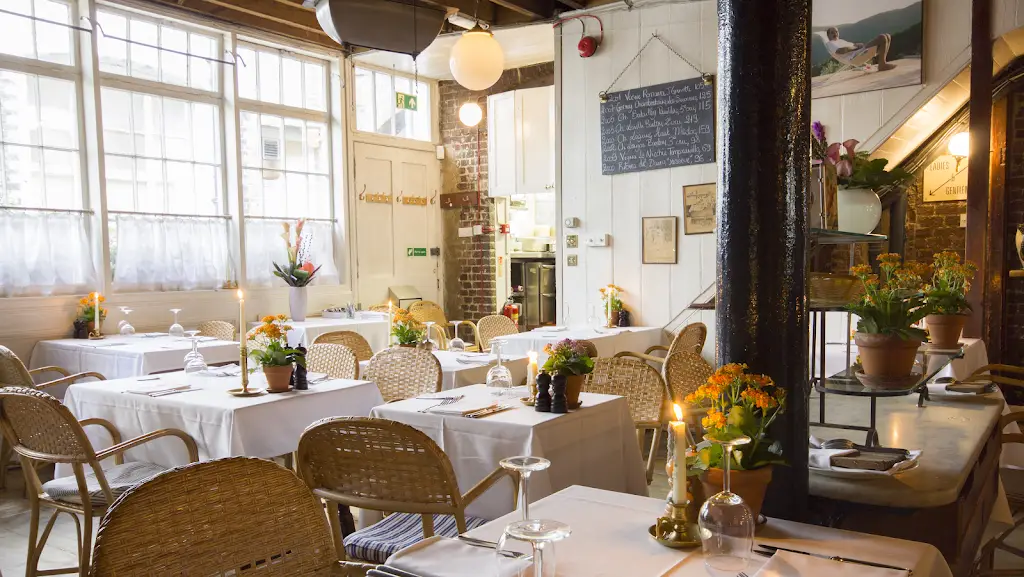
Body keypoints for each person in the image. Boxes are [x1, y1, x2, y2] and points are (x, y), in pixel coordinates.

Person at [825, 27, 896, 72]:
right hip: (855, 57)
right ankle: (882, 64)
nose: (835, 34)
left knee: (887, 36)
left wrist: (858, 45)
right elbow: (840, 51)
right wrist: (856, 47)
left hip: (859, 52)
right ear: (828, 35)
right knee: (882, 37)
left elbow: (852, 45)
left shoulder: (840, 41)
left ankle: (882, 63)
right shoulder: (830, 43)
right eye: (832, 33)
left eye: (836, 32)